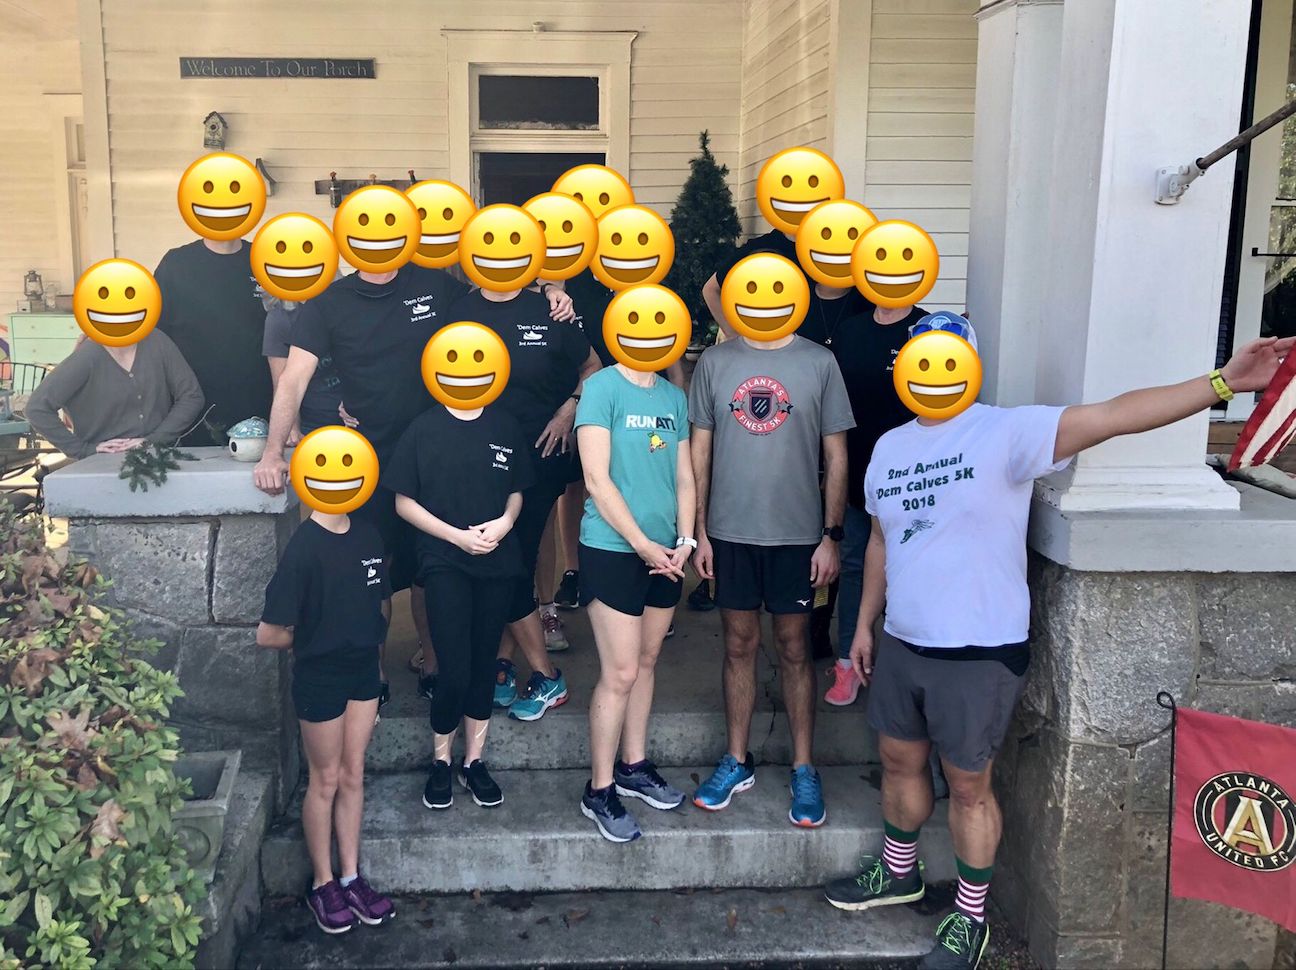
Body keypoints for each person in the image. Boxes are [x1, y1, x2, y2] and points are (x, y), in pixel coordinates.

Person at [824, 333, 1294, 969]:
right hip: (905, 640)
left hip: (979, 648)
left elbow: (1114, 415)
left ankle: (970, 916)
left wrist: (1222, 384)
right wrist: (863, 624)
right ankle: (900, 869)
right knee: (898, 759)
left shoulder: (1006, 433)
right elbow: (882, 540)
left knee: (968, 786)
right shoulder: (890, 446)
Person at [252, 262, 574, 699]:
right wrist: (272, 453)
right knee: (376, 565)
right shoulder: (327, 304)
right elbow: (292, 379)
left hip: (438, 451)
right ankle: (375, 674)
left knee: (431, 564)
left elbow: (495, 283)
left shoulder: (434, 284)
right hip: (369, 457)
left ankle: (433, 661)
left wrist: (550, 286)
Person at [688, 321, 855, 827]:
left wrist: (831, 535)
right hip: (730, 532)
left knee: (795, 648)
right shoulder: (715, 363)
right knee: (738, 645)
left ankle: (804, 767)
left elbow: (837, 454)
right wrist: (700, 529)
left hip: (798, 536)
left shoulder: (819, 361)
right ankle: (737, 760)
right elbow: (699, 450)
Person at [444, 282, 600, 721]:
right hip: (480, 457)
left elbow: (592, 365)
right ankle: (507, 664)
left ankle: (539, 673)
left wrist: (569, 409)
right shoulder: (460, 308)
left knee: (512, 561)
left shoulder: (551, 310)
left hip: (539, 454)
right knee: (503, 562)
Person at [256, 490, 397, 936]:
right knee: (327, 778)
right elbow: (268, 634)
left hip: (362, 676)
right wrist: (317, 640)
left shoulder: (371, 537)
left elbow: (378, 608)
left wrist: (375, 665)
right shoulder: (303, 546)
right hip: (320, 677)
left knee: (354, 773)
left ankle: (351, 877)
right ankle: (323, 883)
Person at [385, 396, 532, 811]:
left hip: (496, 558)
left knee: (485, 664)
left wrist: (503, 524)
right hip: (444, 561)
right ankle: (441, 762)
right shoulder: (423, 427)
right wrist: (456, 537)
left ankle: (474, 762)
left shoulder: (504, 425)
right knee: (453, 667)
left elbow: (518, 490)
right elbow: (403, 503)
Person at [574, 357, 695, 842]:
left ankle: (634, 766)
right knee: (620, 671)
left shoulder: (672, 396)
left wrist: (684, 541)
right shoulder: (600, 389)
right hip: (612, 549)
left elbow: (684, 476)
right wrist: (642, 544)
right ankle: (599, 790)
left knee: (646, 661)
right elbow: (596, 479)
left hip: (667, 552)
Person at [819, 294, 936, 704]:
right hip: (858, 471)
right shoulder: (849, 330)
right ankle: (849, 663)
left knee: (912, 569)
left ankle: (904, 668)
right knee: (855, 568)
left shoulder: (930, 328)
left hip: (916, 478)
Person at [154, 235, 272, 445]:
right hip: (193, 405)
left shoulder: (265, 260)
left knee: (256, 476)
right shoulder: (176, 264)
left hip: (258, 403)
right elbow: (151, 327)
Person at [26, 329, 204, 459]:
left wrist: (155, 439)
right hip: (104, 465)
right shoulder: (88, 355)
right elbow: (37, 408)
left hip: (162, 459)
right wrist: (83, 450)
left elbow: (191, 396)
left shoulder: (157, 341)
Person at [261, 292, 349, 442]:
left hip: (360, 416)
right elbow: (282, 381)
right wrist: (292, 428)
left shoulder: (346, 305)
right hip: (315, 424)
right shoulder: (281, 318)